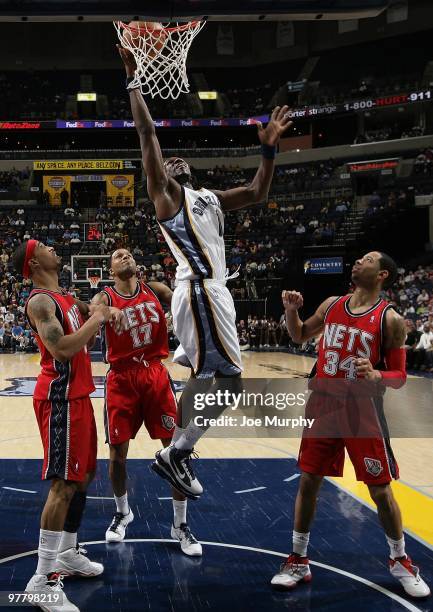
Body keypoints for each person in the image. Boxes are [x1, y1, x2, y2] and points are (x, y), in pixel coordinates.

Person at [118, 45, 292, 500]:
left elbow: (256, 192)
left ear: (190, 169)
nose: (169, 162)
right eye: (163, 163)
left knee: (202, 376)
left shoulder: (209, 198)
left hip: (210, 292)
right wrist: (134, 79)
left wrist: (268, 150)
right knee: (232, 380)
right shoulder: (167, 196)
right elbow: (147, 134)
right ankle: (178, 451)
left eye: (176, 161)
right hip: (199, 290)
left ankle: (178, 449)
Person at [271, 251, 430, 598]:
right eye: (359, 259)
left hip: (362, 411)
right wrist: (292, 310)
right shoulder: (331, 305)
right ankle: (298, 558)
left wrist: (377, 373)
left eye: (368, 259)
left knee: (380, 489)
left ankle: (400, 560)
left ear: (383, 274)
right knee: (309, 480)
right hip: (324, 404)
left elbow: (401, 376)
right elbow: (298, 335)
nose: (359, 261)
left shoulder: (391, 321)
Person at [12, 239, 123, 611]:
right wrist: (97, 318)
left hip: (77, 396)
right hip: (58, 397)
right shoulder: (40, 302)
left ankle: (68, 553)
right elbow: (61, 349)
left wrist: (102, 308)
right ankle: (41, 580)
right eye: (42, 246)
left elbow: (93, 306)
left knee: (82, 476)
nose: (51, 248)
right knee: (62, 484)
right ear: (33, 262)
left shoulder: (64, 297)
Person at [91, 248, 202, 556]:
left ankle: (180, 524)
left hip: (155, 374)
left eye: (128, 253)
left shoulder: (156, 289)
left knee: (176, 451)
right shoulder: (106, 296)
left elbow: (188, 302)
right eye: (117, 254)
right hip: (122, 379)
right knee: (117, 455)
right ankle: (123, 512)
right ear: (111, 269)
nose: (124, 255)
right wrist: (107, 313)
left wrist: (181, 326)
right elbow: (93, 307)